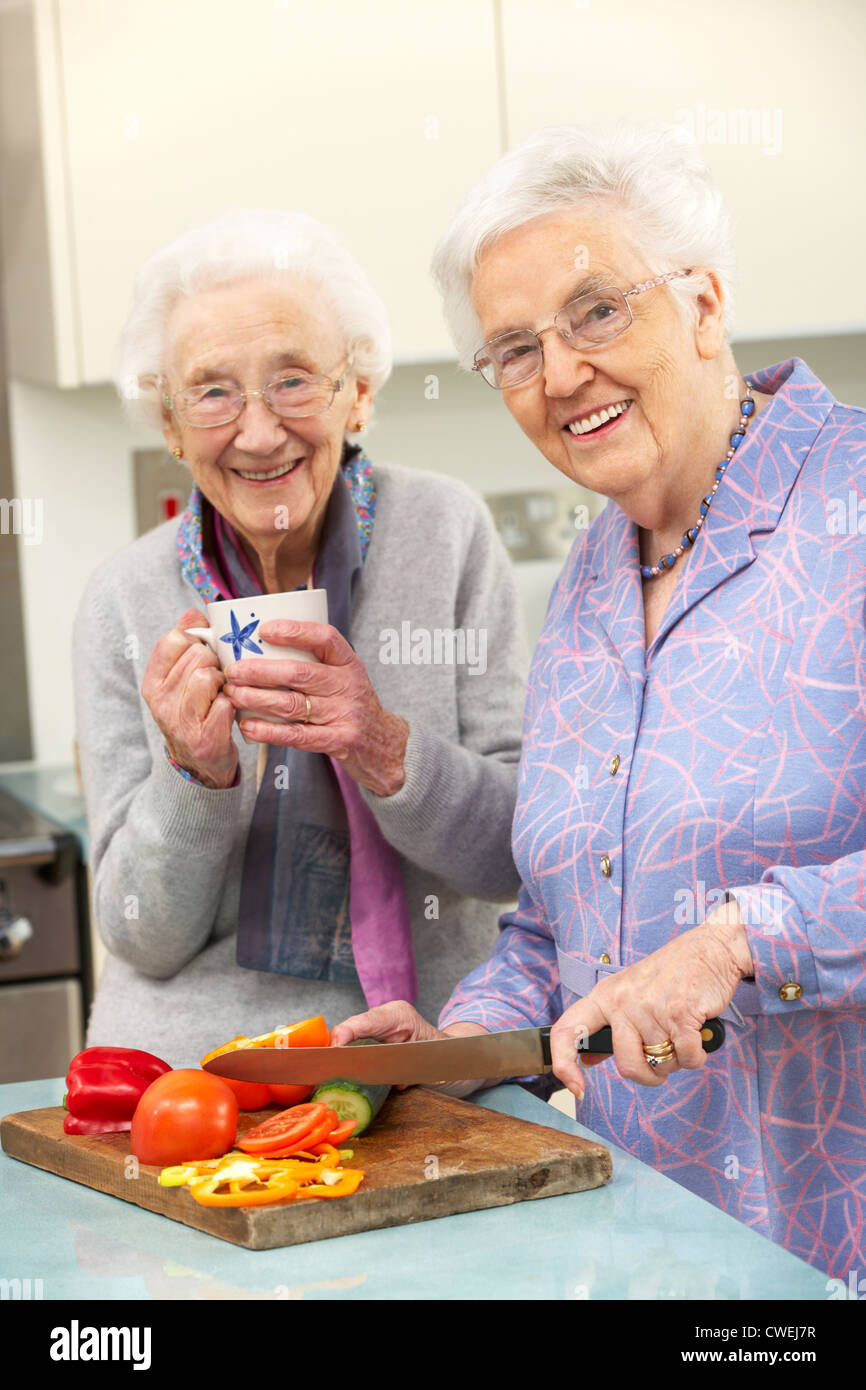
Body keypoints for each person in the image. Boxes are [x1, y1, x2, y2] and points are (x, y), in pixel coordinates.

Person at [331, 124, 866, 1278]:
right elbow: (561, 919)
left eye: (595, 312)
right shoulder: (585, 581)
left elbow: (710, 934)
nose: (561, 372)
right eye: (512, 348)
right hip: (651, 1252)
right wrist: (457, 1045)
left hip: (827, 1245)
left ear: (704, 307)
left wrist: (740, 937)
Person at [72, 209, 526, 1065]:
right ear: (169, 425)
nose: (257, 430)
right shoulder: (122, 602)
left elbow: (510, 855)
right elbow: (141, 937)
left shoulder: (447, 533)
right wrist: (195, 777)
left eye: (293, 380)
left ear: (358, 391)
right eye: (211, 391)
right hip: (199, 1076)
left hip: (428, 1049)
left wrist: (385, 748)